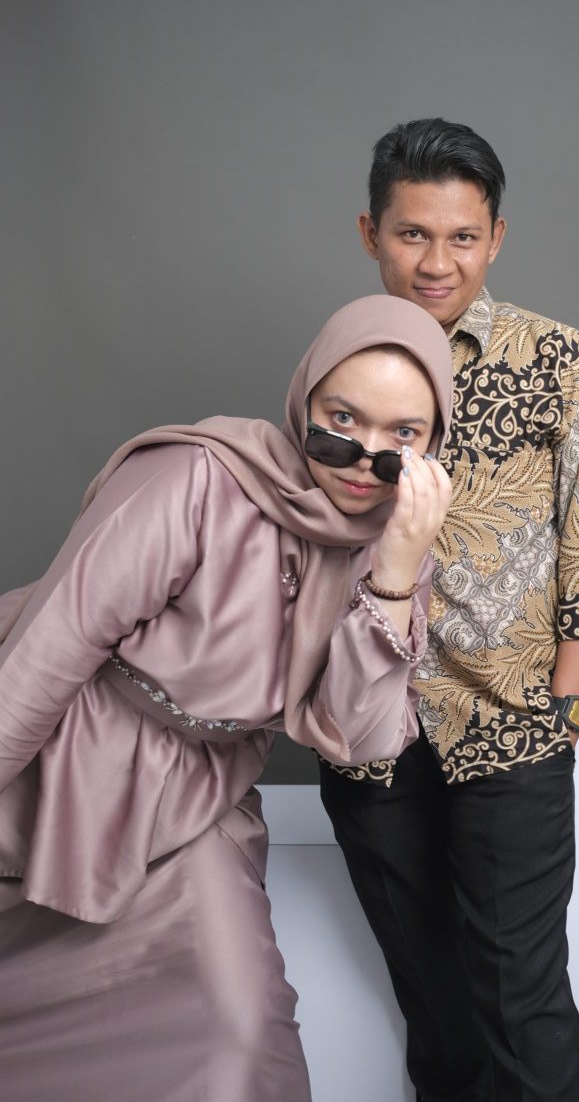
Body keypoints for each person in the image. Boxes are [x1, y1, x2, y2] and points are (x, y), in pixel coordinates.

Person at [0, 294, 454, 1102]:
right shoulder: (196, 478)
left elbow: (360, 735)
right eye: (342, 419)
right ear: (305, 399)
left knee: (239, 1028)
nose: (364, 459)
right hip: (58, 760)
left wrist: (392, 575)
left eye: (402, 436)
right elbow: (47, 652)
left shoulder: (394, 550)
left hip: (196, 801)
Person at [318, 119, 579, 1102]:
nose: (436, 261)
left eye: (461, 237)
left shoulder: (565, 363)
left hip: (509, 727)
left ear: (496, 238)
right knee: (435, 1004)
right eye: (412, 234)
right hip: (372, 731)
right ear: (370, 233)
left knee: (521, 1003)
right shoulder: (344, 369)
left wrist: (564, 715)